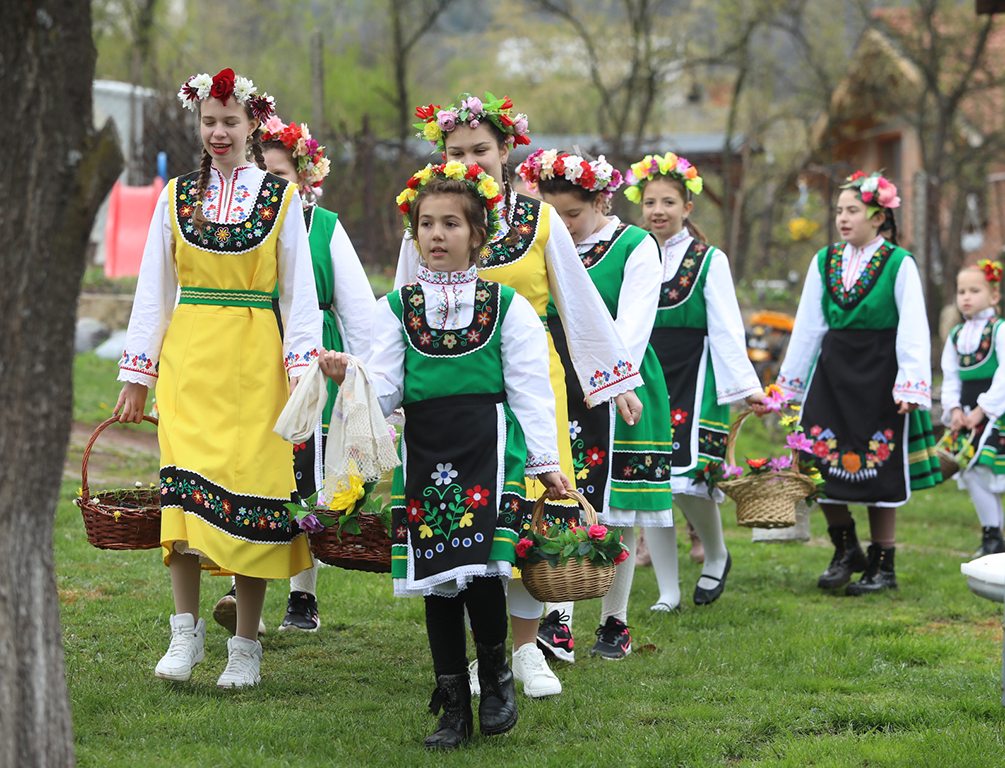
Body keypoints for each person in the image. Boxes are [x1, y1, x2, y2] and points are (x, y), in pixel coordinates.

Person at [399, 94, 643, 695]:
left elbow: (578, 303)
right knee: (469, 513)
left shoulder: (539, 221)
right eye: (456, 152)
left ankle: (527, 649)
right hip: (455, 393)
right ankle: (481, 654)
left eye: (481, 150)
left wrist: (612, 377)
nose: (471, 162)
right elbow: (404, 306)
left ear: (508, 151)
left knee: (532, 509)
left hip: (530, 388)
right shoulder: (431, 222)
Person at [321, 162, 570, 749]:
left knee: (483, 575)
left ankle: (498, 676)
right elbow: (384, 389)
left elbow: (533, 389)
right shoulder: (397, 307)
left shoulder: (509, 307)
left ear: (477, 234)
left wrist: (546, 461)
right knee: (438, 581)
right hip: (427, 453)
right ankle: (452, 702)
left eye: (451, 224)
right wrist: (346, 376)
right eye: (426, 224)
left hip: (489, 447)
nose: (436, 235)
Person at [115, 68, 322, 688]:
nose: (219, 132)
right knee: (183, 497)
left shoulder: (282, 200)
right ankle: (185, 634)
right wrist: (138, 371)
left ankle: (245, 644)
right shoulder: (175, 196)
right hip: (191, 362)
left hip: (257, 362)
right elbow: (154, 287)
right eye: (209, 121)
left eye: (231, 121)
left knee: (253, 498)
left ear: (253, 124)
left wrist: (302, 373)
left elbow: (300, 295)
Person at [211, 117, 375, 634]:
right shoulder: (236, 224)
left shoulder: (323, 227)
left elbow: (357, 308)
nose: (268, 183)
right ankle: (242, 586)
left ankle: (303, 595)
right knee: (245, 468)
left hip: (310, 361)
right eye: (261, 172)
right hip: (249, 351)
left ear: (305, 180)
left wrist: (374, 378)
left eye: (279, 176)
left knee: (304, 477)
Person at [517, 149, 673, 659]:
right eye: (553, 214)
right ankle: (559, 619)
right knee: (565, 494)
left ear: (601, 199)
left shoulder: (635, 246)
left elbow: (632, 323)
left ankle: (615, 620)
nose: (562, 225)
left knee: (615, 505)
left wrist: (604, 378)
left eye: (573, 216)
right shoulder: (536, 241)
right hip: (554, 373)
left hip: (616, 378)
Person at [777, 170, 942, 595]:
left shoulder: (899, 263)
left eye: (852, 210)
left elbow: (913, 326)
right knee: (819, 458)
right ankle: (845, 547)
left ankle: (883, 563)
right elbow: (809, 326)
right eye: (839, 211)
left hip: (880, 372)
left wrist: (911, 384)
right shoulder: (823, 261)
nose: (842, 218)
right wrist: (789, 388)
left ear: (878, 216)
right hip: (831, 373)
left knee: (878, 467)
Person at [624, 152, 766, 611]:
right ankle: (669, 590)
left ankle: (717, 552)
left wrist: (746, 386)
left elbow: (727, 327)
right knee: (655, 482)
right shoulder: (632, 252)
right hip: (649, 372)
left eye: (668, 201)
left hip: (697, 373)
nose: (657, 210)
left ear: (688, 207)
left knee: (689, 480)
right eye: (649, 202)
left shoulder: (709, 259)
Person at [941, 260, 1005, 557]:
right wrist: (954, 409)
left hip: (996, 412)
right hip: (968, 415)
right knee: (968, 469)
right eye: (961, 291)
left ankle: (995, 536)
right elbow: (951, 376)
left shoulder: (1000, 331)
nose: (965, 297)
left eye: (974, 290)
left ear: (994, 295)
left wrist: (984, 409)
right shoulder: (955, 336)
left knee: (987, 468)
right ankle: (992, 534)